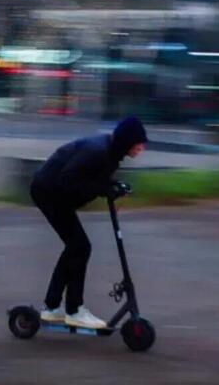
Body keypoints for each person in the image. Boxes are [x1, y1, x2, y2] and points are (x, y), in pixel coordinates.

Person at [29, 117, 148, 329]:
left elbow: (92, 178)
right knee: (80, 246)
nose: (142, 147)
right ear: (128, 140)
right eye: (139, 142)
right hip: (48, 191)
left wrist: (114, 185)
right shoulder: (98, 151)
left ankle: (52, 306)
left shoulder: (111, 153)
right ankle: (74, 310)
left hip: (55, 192)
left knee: (77, 247)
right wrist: (104, 189)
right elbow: (69, 180)